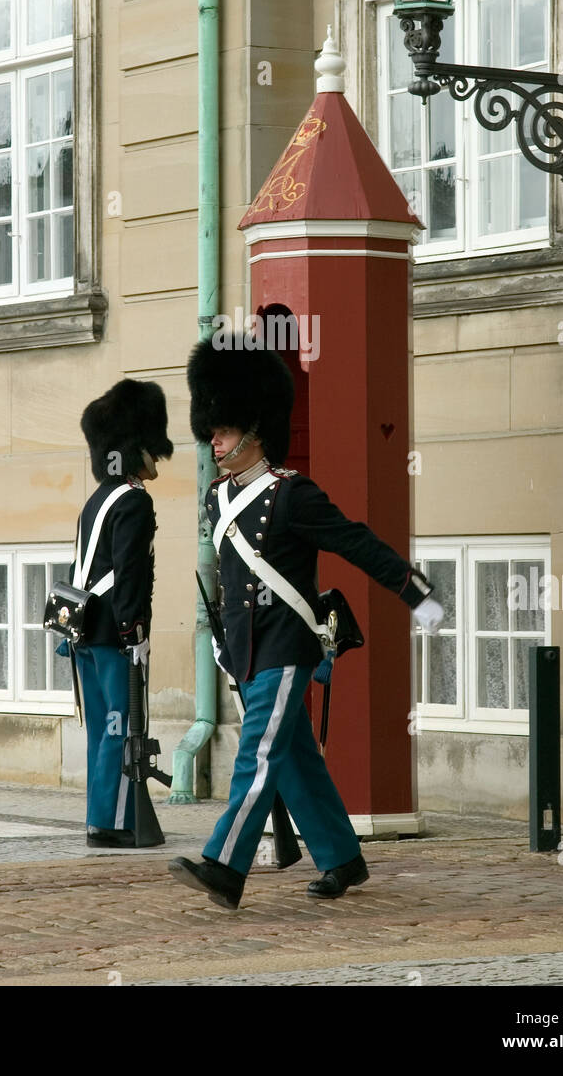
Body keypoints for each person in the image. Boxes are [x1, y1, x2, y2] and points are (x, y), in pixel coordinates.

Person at [168, 338, 444, 908]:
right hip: (245, 650)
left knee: (258, 755)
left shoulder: (293, 495)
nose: (212, 441)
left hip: (287, 646)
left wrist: (412, 591)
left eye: (221, 430)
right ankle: (343, 857)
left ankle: (224, 865)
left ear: (252, 429)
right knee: (293, 758)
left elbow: (355, 542)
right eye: (212, 430)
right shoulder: (217, 499)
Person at [72, 378, 172, 848]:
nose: (158, 458)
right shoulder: (134, 500)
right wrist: (136, 630)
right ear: (137, 449)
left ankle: (102, 816)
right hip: (115, 633)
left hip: (84, 631)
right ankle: (112, 824)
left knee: (101, 730)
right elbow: (131, 572)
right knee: (120, 726)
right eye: (153, 449)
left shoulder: (96, 500)